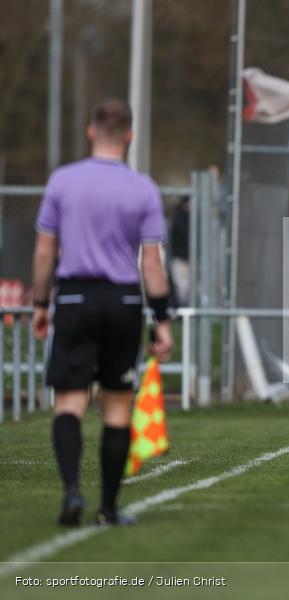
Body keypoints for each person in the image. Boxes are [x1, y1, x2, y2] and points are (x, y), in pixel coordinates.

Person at [31, 98, 174, 527]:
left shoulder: (62, 181)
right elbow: (151, 262)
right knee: (116, 407)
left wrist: (41, 303)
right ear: (129, 136)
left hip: (74, 297)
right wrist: (162, 320)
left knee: (70, 403)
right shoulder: (143, 188)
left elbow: (44, 249)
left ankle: (73, 491)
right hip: (124, 303)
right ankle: (108, 508)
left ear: (91, 132)